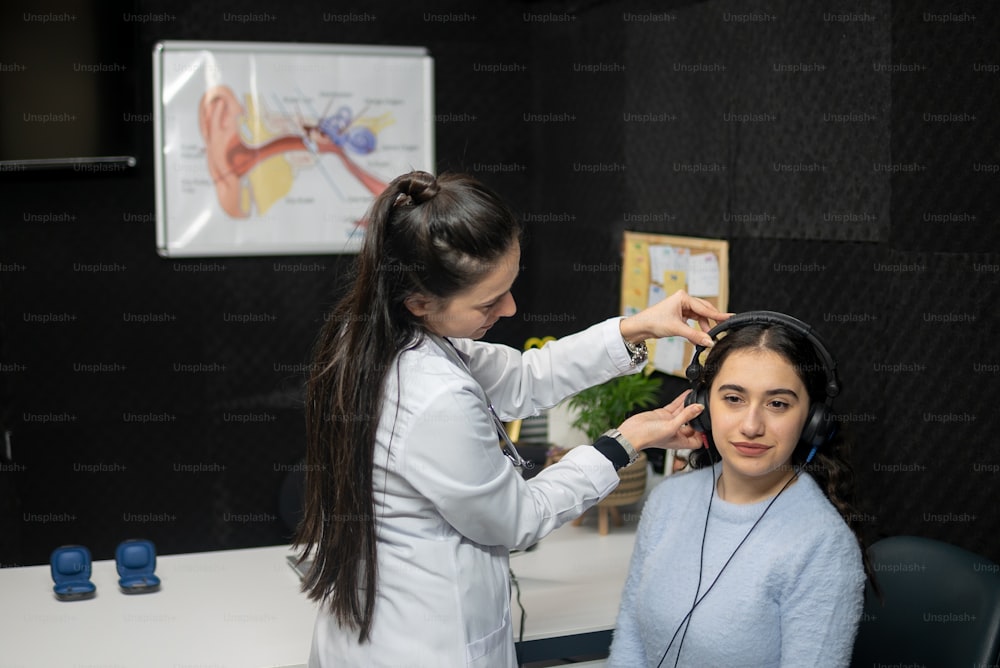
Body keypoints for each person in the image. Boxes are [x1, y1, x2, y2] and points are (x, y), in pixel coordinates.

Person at [293, 169, 730, 667]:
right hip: (423, 647)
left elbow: (524, 378)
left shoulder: (381, 335)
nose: (510, 307)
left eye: (510, 285)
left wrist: (637, 328)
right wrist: (621, 444)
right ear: (419, 301)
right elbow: (518, 519)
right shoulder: (433, 394)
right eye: (489, 300)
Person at [607, 312, 875, 668]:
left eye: (777, 404)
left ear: (813, 421)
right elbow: (630, 642)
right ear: (701, 406)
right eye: (733, 398)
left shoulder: (823, 546)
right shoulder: (669, 500)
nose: (751, 426)